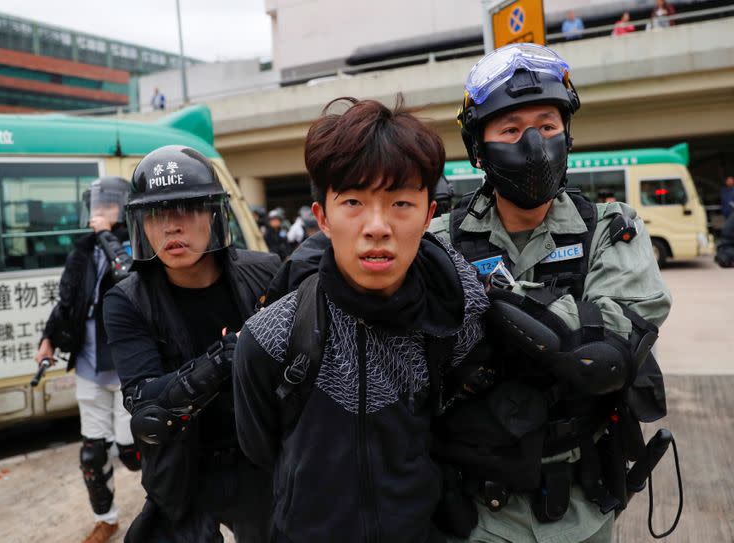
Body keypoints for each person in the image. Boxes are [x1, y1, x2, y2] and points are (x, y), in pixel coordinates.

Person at [428, 43, 673, 542]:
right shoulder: (437, 241)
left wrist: (491, 302)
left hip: (580, 509)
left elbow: (604, 353)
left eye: (547, 125)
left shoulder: (611, 226)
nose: (534, 143)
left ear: (567, 133)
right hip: (471, 511)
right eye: (511, 130)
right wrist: (555, 322)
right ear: (479, 146)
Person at [233, 96, 489, 543]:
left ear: (430, 213)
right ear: (323, 218)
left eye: (401, 204)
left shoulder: (457, 319)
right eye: (353, 201)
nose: (377, 226)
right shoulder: (270, 337)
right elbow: (259, 448)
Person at [103, 145, 280, 542]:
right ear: (142, 225)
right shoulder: (127, 299)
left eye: (186, 210)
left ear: (213, 214)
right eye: (156, 214)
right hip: (183, 467)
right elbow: (144, 401)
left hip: (262, 459)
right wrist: (222, 359)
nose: (171, 227)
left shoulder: (265, 272)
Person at [35, 176, 139, 543]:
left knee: (134, 452)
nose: (99, 213)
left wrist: (110, 236)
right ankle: (105, 518)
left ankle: (168, 509)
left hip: (129, 368)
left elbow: (129, 276)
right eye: (96, 205)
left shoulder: (136, 246)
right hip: (89, 363)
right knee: (92, 454)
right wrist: (48, 339)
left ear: (123, 209)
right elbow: (67, 301)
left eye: (107, 206)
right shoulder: (82, 250)